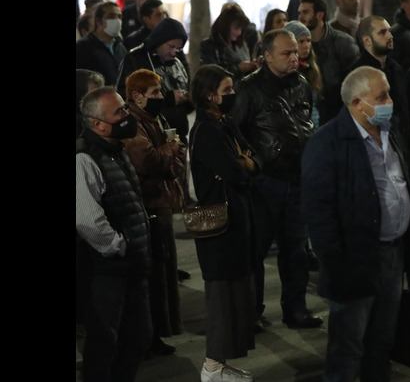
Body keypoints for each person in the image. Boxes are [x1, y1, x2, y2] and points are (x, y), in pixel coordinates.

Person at [302, 66, 410, 382]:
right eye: (382, 96)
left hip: (393, 254)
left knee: (381, 342)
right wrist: (337, 266)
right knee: (347, 348)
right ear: (357, 103)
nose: (389, 101)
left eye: (388, 93)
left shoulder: (392, 133)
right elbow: (318, 214)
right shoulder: (327, 143)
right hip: (355, 260)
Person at [230, 29, 320, 331]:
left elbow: (307, 123)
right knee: (256, 250)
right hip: (265, 183)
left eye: (296, 51)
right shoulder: (248, 90)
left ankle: (295, 309)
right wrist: (252, 166)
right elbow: (234, 133)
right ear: (266, 56)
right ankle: (252, 311)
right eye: (287, 53)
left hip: (298, 180)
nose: (295, 57)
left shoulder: (302, 85)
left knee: (295, 250)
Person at [188, 65, 260, 382]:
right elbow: (235, 172)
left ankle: (222, 363)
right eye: (227, 90)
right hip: (220, 228)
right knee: (221, 298)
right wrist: (242, 166)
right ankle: (212, 368)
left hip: (237, 221)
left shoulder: (225, 123)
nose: (232, 95)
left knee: (236, 294)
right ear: (209, 95)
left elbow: (254, 159)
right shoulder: (207, 131)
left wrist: (247, 163)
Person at [76, 87, 153, 382]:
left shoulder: (116, 150)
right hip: (107, 270)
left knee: (138, 337)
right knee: (104, 343)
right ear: (97, 124)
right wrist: (117, 246)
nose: (127, 115)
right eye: (119, 112)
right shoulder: (84, 157)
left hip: (132, 264)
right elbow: (88, 220)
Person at [122, 69, 186, 357]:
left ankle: (159, 331)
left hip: (163, 200)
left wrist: (171, 152)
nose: (160, 98)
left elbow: (175, 164)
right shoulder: (133, 124)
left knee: (165, 271)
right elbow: (148, 160)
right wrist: (171, 147)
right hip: (150, 204)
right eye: (155, 93)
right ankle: (150, 336)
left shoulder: (154, 118)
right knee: (156, 274)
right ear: (137, 97)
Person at [118, 17, 193, 142]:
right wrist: (167, 99)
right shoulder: (135, 58)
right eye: (171, 46)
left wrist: (189, 99)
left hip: (178, 133)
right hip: (148, 135)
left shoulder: (177, 62)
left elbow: (186, 87)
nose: (175, 52)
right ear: (159, 40)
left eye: (178, 48)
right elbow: (124, 95)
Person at [298, 0, 360, 123]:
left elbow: (354, 82)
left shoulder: (343, 43)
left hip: (338, 114)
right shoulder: (299, 46)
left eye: (305, 12)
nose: (301, 17)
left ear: (319, 15)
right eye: (300, 13)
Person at [200, 3, 259, 82]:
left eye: (241, 29)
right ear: (225, 26)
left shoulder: (240, 44)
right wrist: (238, 68)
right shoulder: (209, 45)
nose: (239, 33)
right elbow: (210, 75)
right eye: (236, 28)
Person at [76, 0, 128, 86]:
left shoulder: (120, 46)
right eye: (111, 16)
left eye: (119, 17)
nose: (117, 21)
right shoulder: (83, 47)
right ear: (98, 21)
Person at [284, 20, 325, 128]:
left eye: (308, 41)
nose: (306, 45)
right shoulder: (284, 72)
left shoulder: (311, 68)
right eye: (301, 41)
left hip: (313, 123)